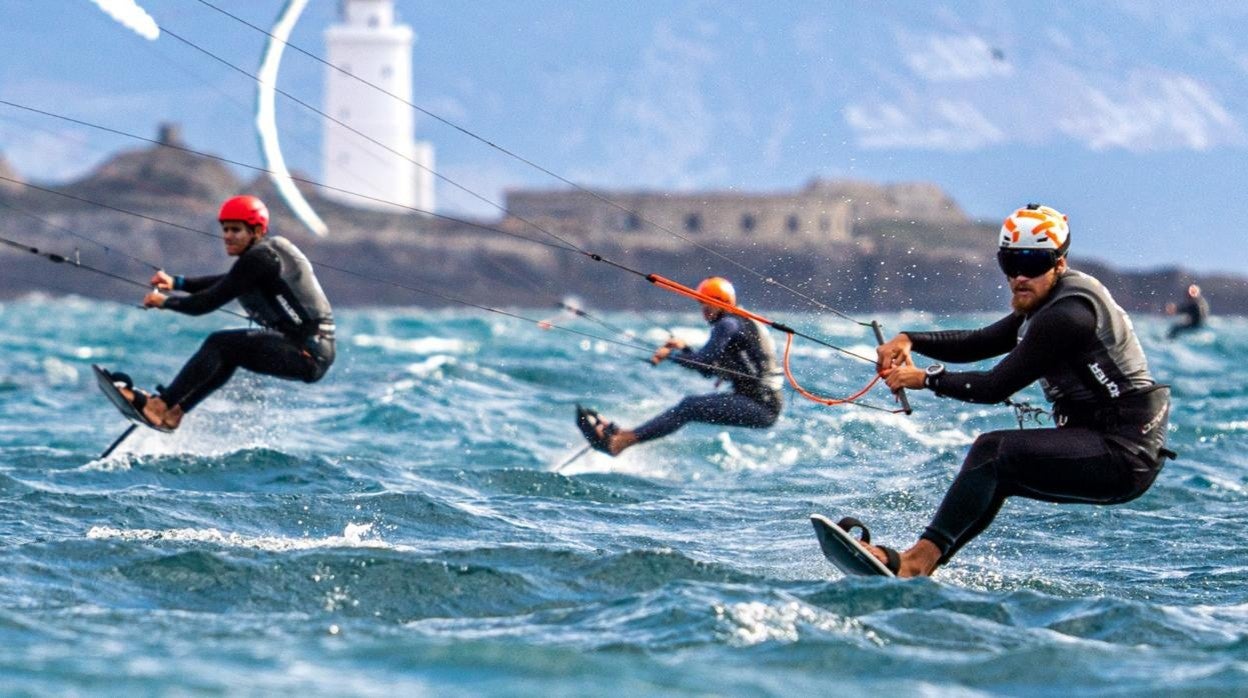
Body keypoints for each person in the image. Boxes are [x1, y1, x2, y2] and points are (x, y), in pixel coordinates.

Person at [857, 203, 1173, 577]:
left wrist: (925, 379)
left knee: (994, 451)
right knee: (998, 470)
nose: (1020, 276)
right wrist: (910, 339)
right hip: (1100, 440)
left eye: (1034, 264)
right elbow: (980, 341)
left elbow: (995, 386)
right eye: (1010, 264)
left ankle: (914, 563)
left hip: (1121, 452)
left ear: (1059, 264)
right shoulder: (1044, 302)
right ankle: (920, 564)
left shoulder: (1067, 315)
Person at [110, 195, 335, 430]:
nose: (227, 236)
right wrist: (177, 283)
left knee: (221, 344)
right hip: (309, 352)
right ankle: (174, 411)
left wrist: (164, 302)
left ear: (256, 230)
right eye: (225, 229)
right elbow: (227, 282)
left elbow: (203, 305)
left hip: (306, 353)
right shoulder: (265, 254)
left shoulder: (259, 259)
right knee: (229, 351)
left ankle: (160, 406)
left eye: (236, 230)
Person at [577, 277, 783, 456]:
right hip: (759, 403)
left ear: (722, 303)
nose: (704, 310)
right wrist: (684, 350)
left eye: (708, 304)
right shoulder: (736, 323)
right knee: (688, 407)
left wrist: (672, 355)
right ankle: (623, 437)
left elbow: (704, 361)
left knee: (689, 407)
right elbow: (706, 369)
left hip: (761, 405)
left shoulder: (727, 324)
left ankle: (621, 441)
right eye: (701, 304)